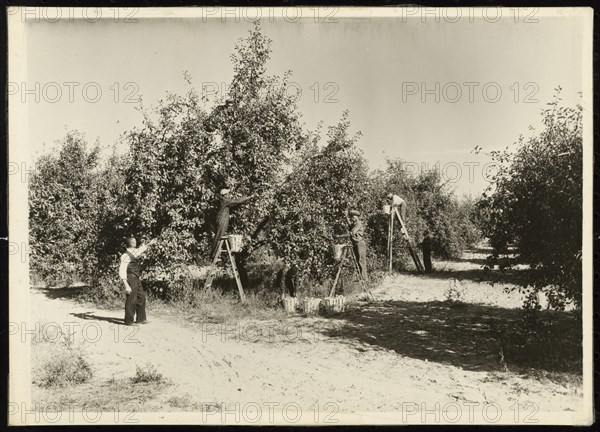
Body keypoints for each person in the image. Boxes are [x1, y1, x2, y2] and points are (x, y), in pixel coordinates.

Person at [119, 237, 156, 325]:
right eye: (133, 241)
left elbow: (141, 249)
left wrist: (150, 243)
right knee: (131, 299)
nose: (135, 242)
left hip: (136, 278)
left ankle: (141, 319)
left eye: (135, 241)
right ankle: (128, 320)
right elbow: (122, 271)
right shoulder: (125, 256)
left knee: (141, 297)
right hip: (130, 278)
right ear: (129, 243)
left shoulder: (134, 252)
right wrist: (126, 285)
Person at [210, 188, 254, 259]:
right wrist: (249, 197)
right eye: (228, 194)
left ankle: (214, 255)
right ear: (225, 195)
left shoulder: (221, 199)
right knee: (218, 236)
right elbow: (237, 201)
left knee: (218, 236)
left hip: (220, 220)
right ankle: (213, 255)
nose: (229, 195)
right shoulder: (225, 200)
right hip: (222, 220)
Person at [338, 210, 368, 280]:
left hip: (360, 244)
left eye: (353, 217)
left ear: (357, 217)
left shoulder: (358, 224)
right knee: (357, 260)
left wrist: (340, 236)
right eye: (351, 217)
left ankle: (364, 277)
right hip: (356, 244)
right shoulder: (355, 224)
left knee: (361, 260)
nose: (352, 218)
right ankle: (360, 277)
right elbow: (350, 226)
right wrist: (346, 217)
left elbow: (351, 233)